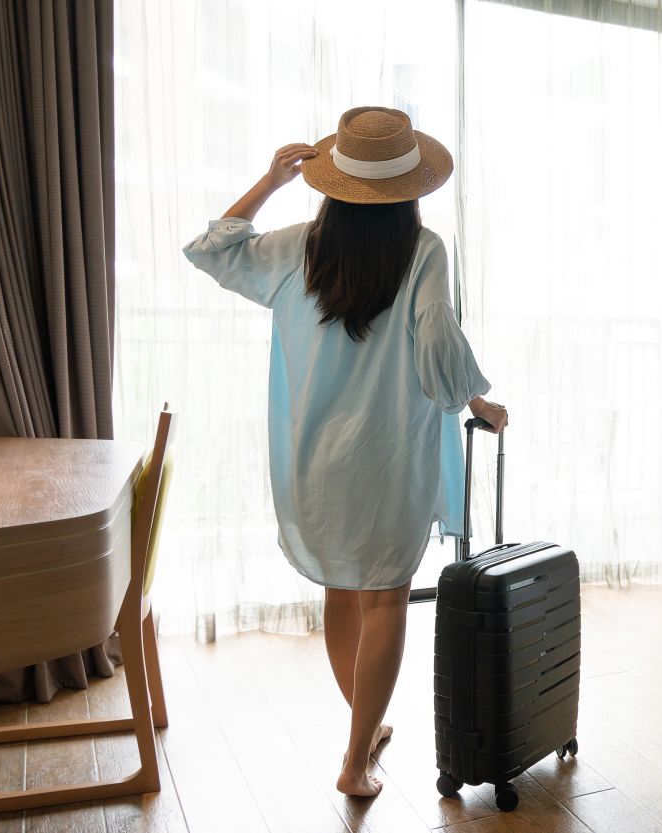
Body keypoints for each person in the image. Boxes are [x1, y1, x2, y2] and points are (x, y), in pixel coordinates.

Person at [183, 107, 505, 797]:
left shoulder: (300, 247)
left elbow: (212, 250)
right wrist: (477, 400)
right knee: (386, 597)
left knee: (342, 590)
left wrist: (269, 182)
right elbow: (439, 346)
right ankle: (357, 756)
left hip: (316, 460)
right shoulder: (424, 252)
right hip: (389, 457)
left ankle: (363, 732)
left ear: (335, 184)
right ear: (407, 189)